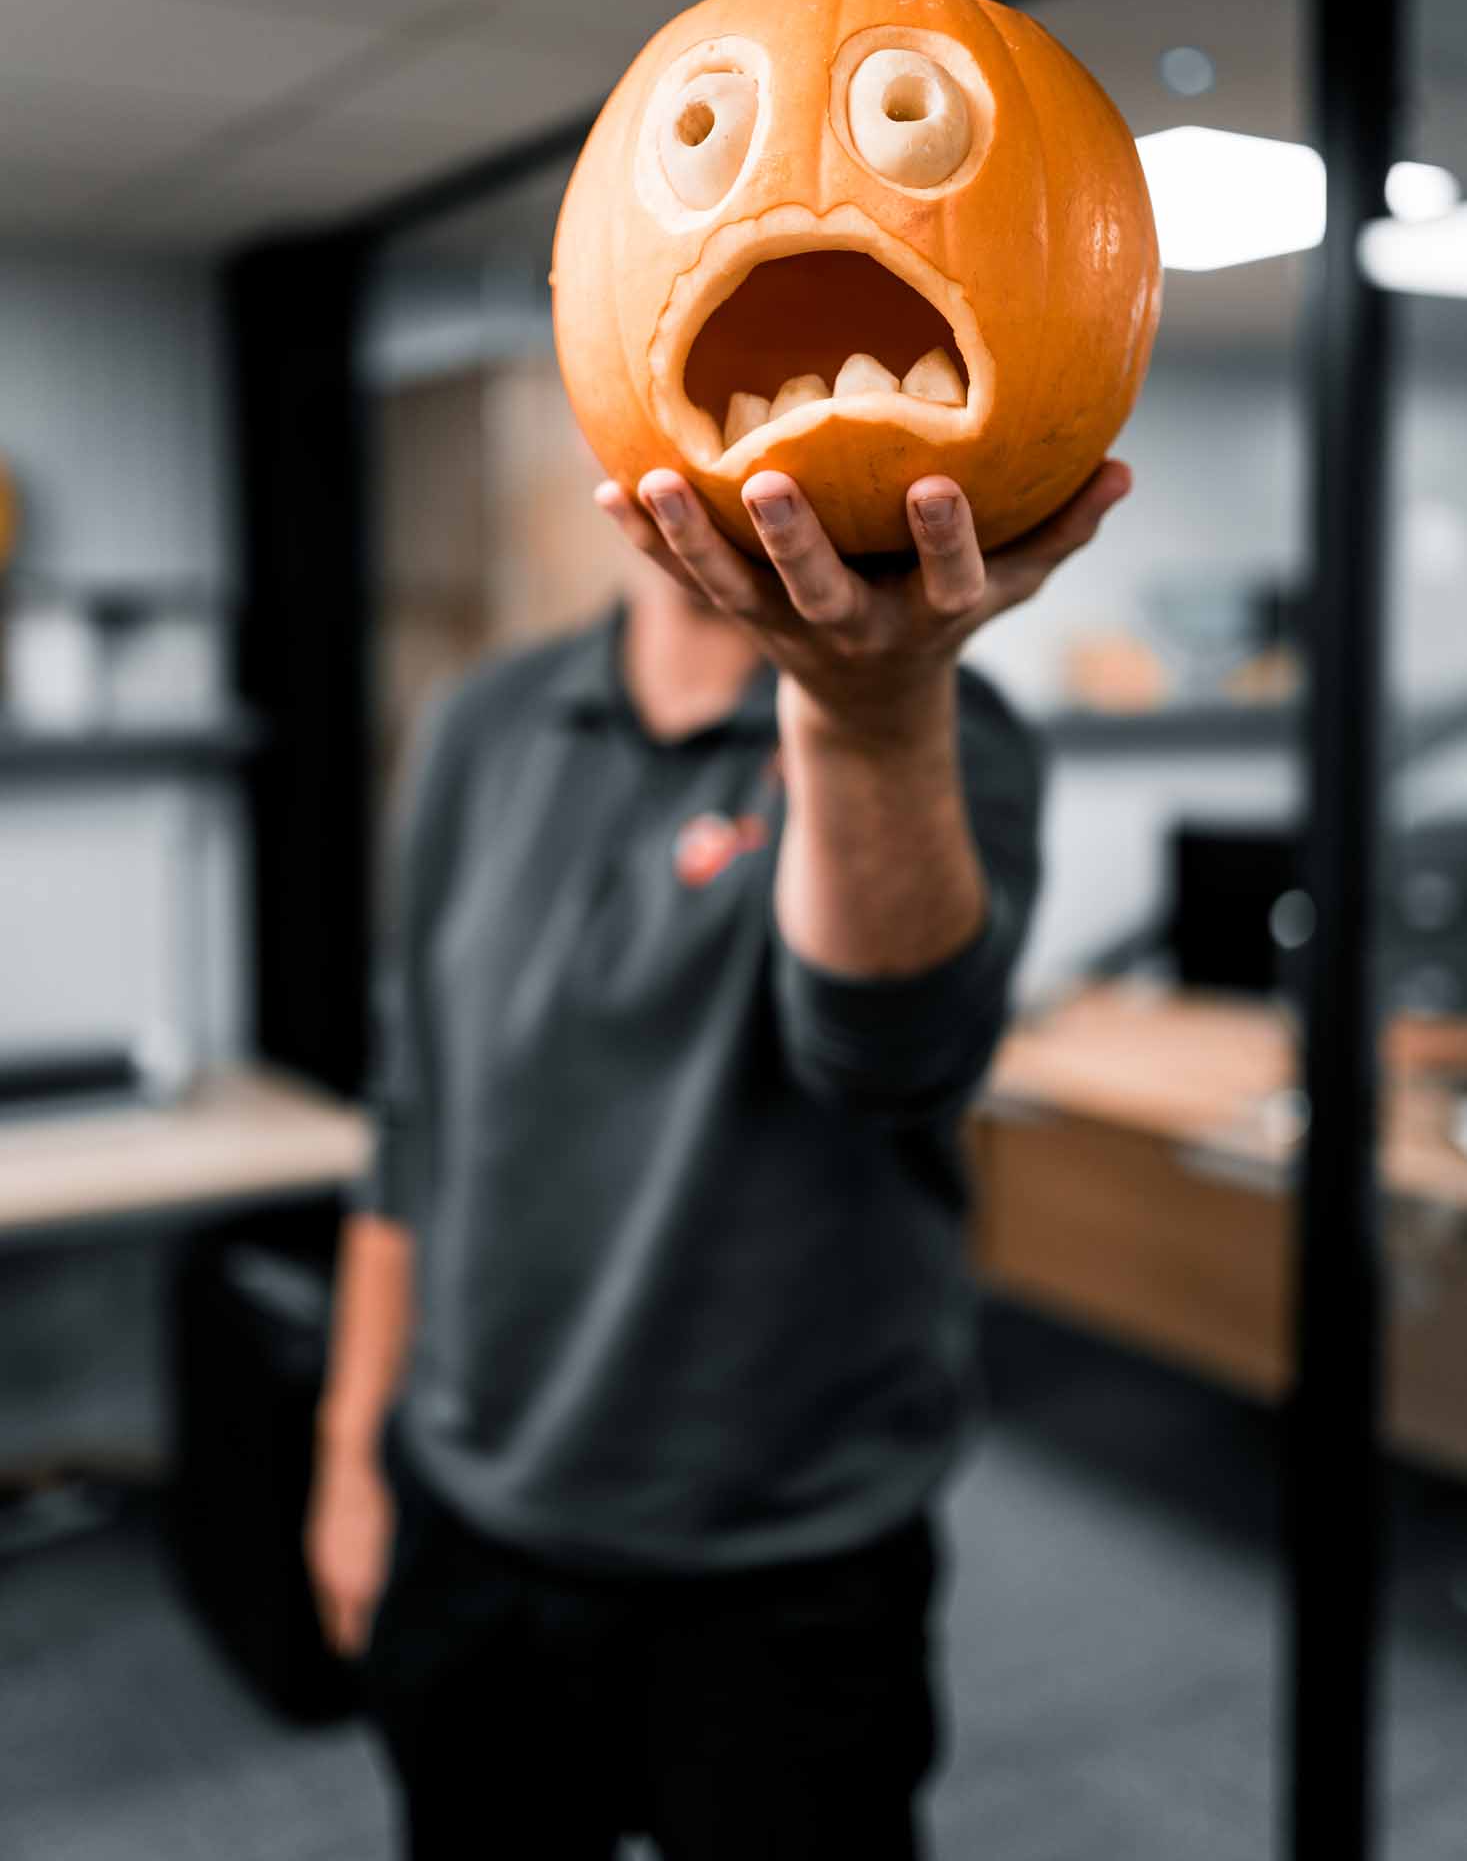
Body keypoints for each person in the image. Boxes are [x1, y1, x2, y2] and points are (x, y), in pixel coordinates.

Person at [305, 453, 1131, 1859]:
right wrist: (350, 1454)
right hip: (474, 1519)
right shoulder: (480, 726)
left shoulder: (940, 732)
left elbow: (891, 1057)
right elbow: (411, 1118)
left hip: (784, 1565)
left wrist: (865, 720)